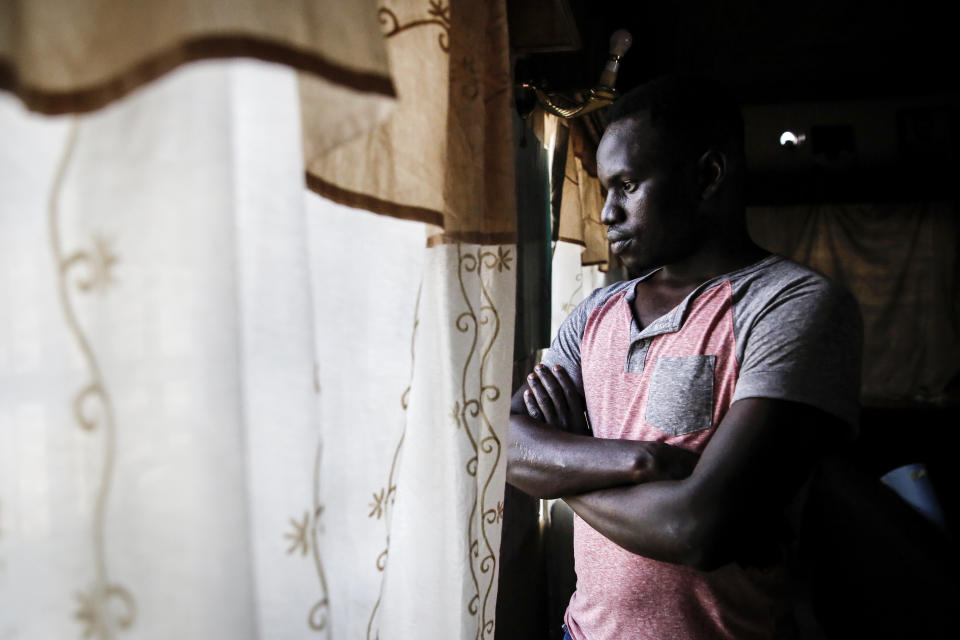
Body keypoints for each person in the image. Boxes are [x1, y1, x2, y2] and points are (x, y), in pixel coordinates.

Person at [506, 75, 862, 640]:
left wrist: (563, 468)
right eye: (603, 189)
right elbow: (507, 447)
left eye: (626, 184)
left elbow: (696, 528)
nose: (606, 213)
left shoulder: (791, 305)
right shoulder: (594, 312)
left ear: (708, 176)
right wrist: (644, 462)